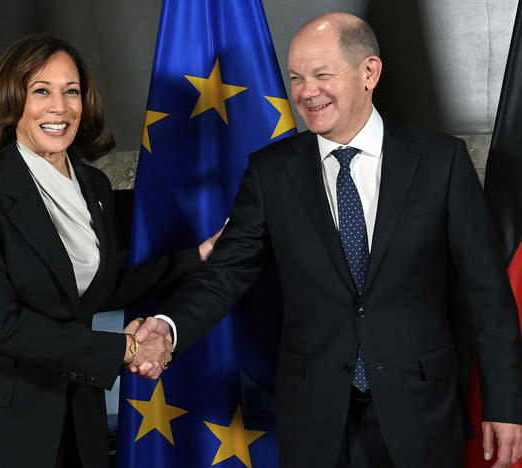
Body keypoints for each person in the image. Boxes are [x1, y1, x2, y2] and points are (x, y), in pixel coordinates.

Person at [135, 12, 522, 468]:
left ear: (369, 73)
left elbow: (486, 293)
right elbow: (225, 273)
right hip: (315, 414)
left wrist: (505, 405)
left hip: (419, 408)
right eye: (297, 78)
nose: (306, 92)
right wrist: (170, 326)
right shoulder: (271, 171)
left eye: (322, 75)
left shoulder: (442, 161)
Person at [0, 35, 220, 468]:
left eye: (70, 91)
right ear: (12, 100)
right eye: (41, 91)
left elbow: (95, 288)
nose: (59, 107)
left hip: (75, 415)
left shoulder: (93, 187)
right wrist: (126, 350)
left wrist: (199, 255)